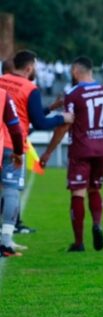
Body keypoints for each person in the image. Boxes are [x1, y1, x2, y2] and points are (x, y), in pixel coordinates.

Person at [40, 56, 103, 252]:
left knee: (78, 192)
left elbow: (64, 125)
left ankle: (79, 243)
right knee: (94, 190)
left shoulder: (72, 93)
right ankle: (97, 223)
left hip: (81, 150)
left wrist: (48, 152)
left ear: (75, 72)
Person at [0, 50, 73, 255]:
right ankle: (6, 240)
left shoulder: (1, 81)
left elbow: (26, 113)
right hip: (12, 146)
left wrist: (50, 108)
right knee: (11, 189)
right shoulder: (30, 88)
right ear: (29, 67)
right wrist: (62, 118)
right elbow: (38, 122)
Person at [0, 87, 25, 257]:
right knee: (10, 191)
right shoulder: (3, 95)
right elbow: (16, 129)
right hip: (6, 151)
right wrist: (18, 151)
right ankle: (5, 241)